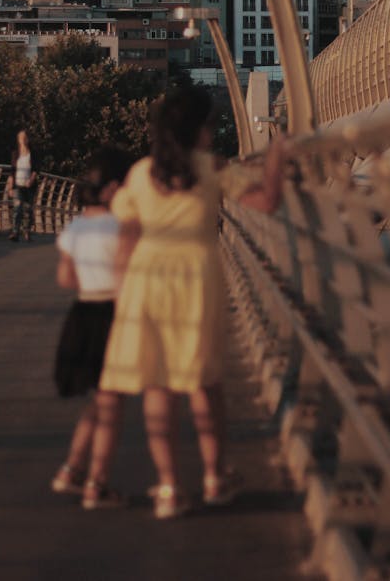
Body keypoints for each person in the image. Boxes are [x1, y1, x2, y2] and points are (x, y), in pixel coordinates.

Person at [95, 87, 286, 520]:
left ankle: (169, 487)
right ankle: (216, 476)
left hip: (146, 282)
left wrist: (121, 297)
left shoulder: (142, 175)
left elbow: (125, 239)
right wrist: (276, 159)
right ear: (199, 131)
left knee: (158, 388)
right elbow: (267, 202)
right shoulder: (212, 168)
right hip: (196, 280)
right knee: (204, 382)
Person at [51, 146, 133, 509]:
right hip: (112, 315)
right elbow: (124, 277)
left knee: (99, 401)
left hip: (82, 312)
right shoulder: (122, 228)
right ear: (115, 187)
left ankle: (71, 470)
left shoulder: (75, 227)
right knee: (111, 406)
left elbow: (65, 277)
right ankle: (96, 485)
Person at [6, 129, 37, 242]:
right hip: (17, 185)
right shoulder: (15, 153)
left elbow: (36, 170)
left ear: (27, 139)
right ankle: (15, 232)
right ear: (18, 140)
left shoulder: (33, 153)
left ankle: (27, 230)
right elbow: (11, 171)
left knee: (28, 209)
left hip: (29, 186)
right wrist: (10, 187)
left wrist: (31, 180)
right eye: (20, 138)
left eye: (24, 138)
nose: (22, 140)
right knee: (17, 208)